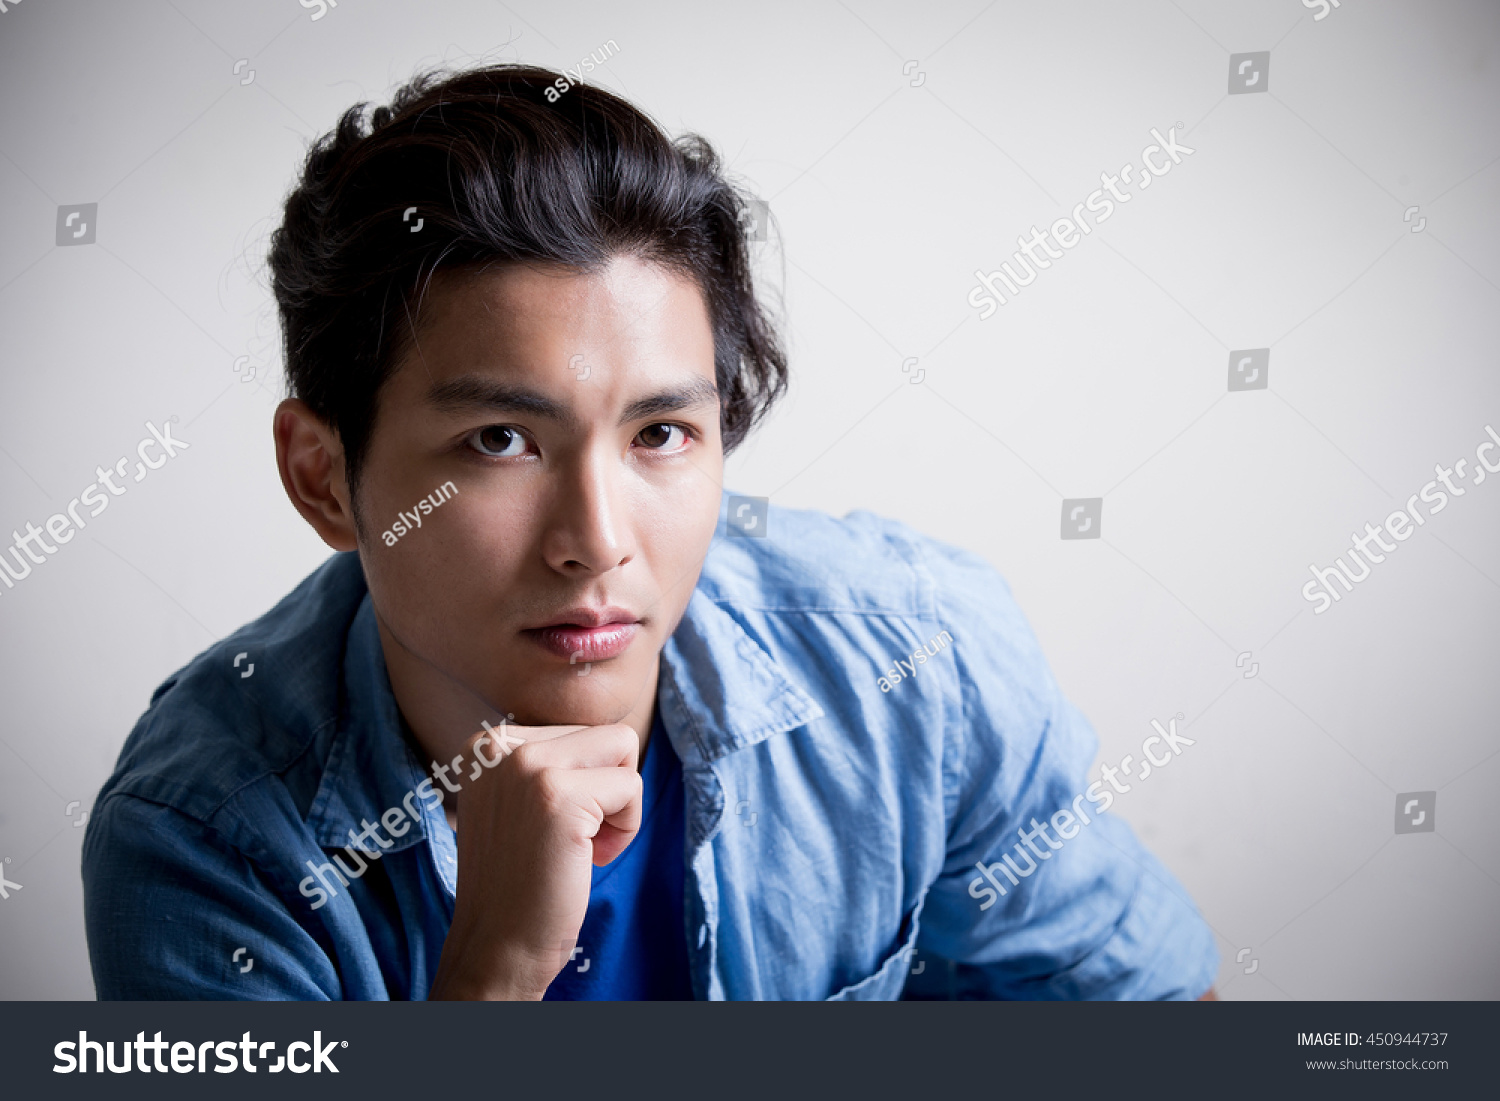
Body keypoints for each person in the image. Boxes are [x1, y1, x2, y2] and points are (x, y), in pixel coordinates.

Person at [82, 64, 1218, 1001]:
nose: (597, 542)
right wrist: (495, 976)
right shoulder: (208, 840)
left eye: (662, 433)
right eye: (499, 442)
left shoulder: (919, 667)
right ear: (324, 477)